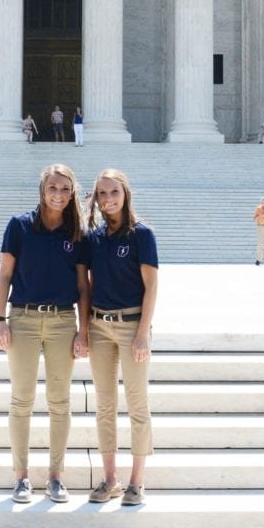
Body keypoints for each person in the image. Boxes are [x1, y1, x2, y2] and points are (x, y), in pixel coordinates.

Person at [0, 164, 89, 504]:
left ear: (72, 193)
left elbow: (83, 286)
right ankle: (20, 477)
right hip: (23, 319)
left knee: (60, 402)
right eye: (53, 187)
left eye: (65, 188)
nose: (58, 194)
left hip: (63, 321)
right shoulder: (19, 226)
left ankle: (55, 477)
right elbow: (5, 275)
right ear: (42, 189)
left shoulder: (77, 232)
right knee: (21, 400)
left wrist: (83, 331)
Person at [82, 169, 157, 507]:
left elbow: (151, 285)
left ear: (126, 193)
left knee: (137, 403)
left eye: (114, 192)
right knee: (105, 405)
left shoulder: (142, 234)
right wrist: (84, 330)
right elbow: (88, 285)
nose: (108, 199)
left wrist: (143, 333)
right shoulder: (94, 238)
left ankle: (136, 483)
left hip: (131, 324)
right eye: (102, 193)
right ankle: (110, 479)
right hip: (100, 325)